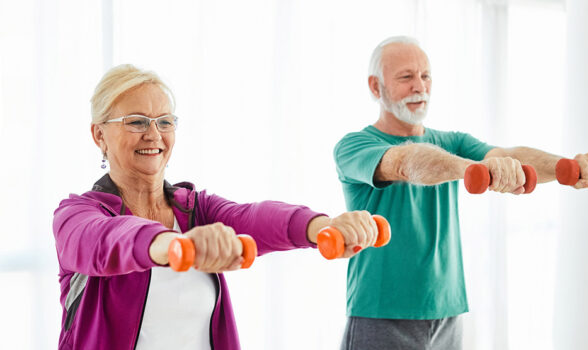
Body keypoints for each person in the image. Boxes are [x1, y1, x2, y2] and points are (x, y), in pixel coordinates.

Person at [53, 64, 379, 350]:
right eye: (136, 122)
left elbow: (254, 218)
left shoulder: (195, 211)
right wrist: (176, 245)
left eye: (165, 122)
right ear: (99, 135)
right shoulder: (76, 216)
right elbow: (111, 239)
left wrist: (323, 226)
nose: (153, 134)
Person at [334, 36, 588, 350]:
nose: (419, 86)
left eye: (426, 76)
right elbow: (404, 162)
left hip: (448, 313)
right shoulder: (355, 146)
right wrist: (472, 170)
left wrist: (569, 167)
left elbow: (508, 154)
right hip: (380, 313)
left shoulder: (452, 141)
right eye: (406, 77)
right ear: (376, 87)